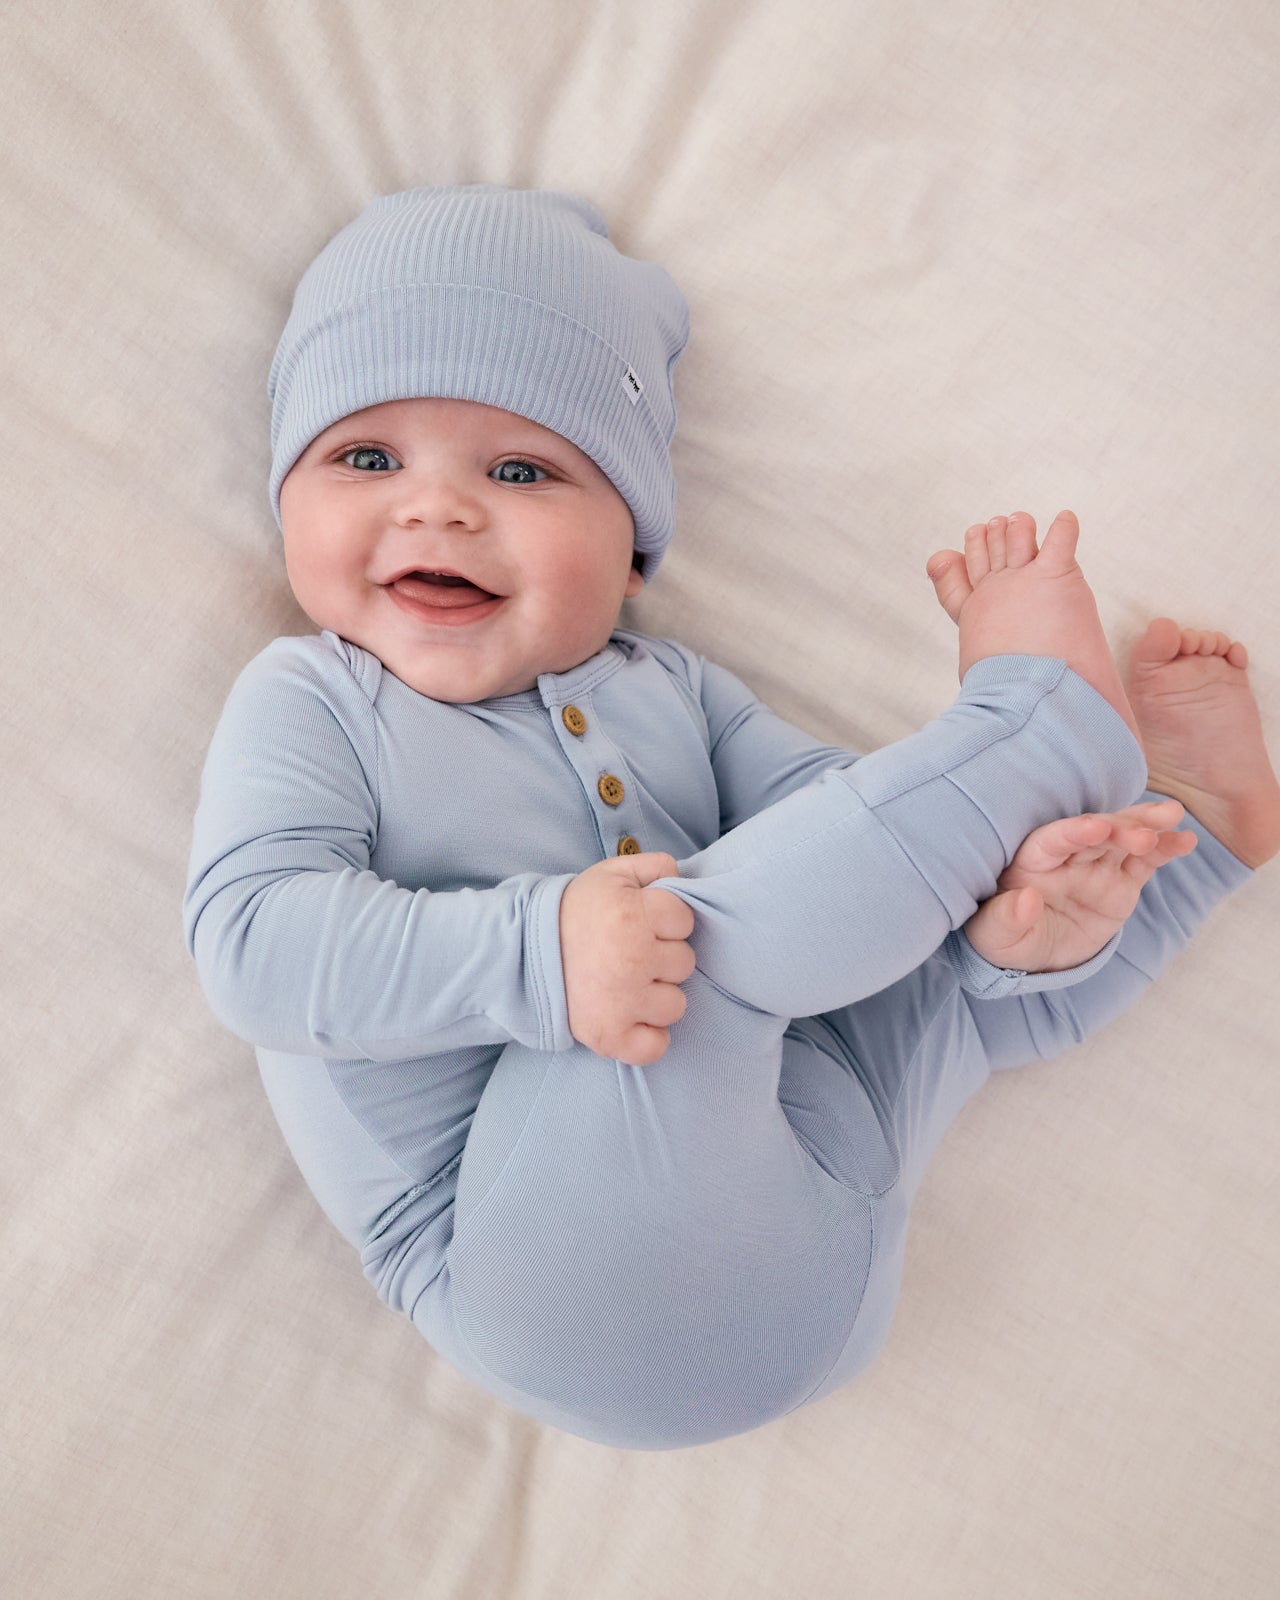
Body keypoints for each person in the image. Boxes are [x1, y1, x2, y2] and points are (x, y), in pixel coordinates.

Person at [183, 184, 1279, 1450]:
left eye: (522, 467)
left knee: (935, 982)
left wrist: (989, 919)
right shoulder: (315, 696)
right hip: (537, 1267)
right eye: (364, 458)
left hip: (817, 1203)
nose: (435, 507)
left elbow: (841, 845)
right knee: (702, 941)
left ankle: (1189, 833)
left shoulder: (679, 693)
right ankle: (1036, 728)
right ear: (286, 499)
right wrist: (542, 953)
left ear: (632, 545)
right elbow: (253, 945)